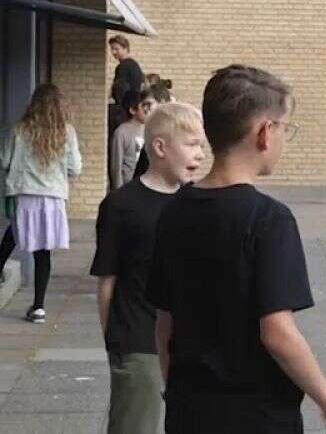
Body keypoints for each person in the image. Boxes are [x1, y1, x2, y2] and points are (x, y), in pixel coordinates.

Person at [146, 65, 326, 434]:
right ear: (265, 132)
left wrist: (176, 390)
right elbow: (277, 332)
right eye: (285, 128)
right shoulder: (268, 220)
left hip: (189, 410)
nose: (283, 139)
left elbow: (164, 324)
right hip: (257, 416)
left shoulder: (174, 210)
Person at [91, 103, 206, 434]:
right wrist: (115, 343)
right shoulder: (120, 205)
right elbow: (107, 281)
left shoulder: (197, 202)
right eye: (192, 144)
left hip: (190, 343)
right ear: (159, 147)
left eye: (202, 145)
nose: (200, 155)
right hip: (139, 343)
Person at [0, 84, 82, 323]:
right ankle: (38, 307)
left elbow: (5, 160)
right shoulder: (67, 132)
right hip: (52, 198)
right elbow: (75, 167)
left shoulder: (20, 130)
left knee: (13, 235)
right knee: (42, 251)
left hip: (24, 194)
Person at [110, 88, 159, 190]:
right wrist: (119, 192)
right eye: (143, 106)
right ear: (132, 110)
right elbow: (116, 166)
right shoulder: (121, 132)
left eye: (149, 106)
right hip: (128, 186)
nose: (148, 110)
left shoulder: (150, 129)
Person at [133, 82, 175, 180]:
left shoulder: (175, 132)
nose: (145, 109)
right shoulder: (153, 132)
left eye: (149, 104)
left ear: (163, 103)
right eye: (143, 105)